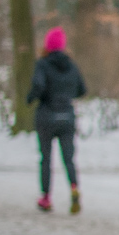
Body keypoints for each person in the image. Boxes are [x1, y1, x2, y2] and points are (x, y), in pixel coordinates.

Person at [27, 27, 87, 214]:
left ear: (47, 45)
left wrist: (31, 98)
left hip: (47, 115)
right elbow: (82, 90)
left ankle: (46, 197)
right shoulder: (71, 65)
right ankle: (74, 187)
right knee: (69, 158)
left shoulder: (43, 64)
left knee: (46, 158)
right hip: (67, 116)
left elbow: (38, 85)